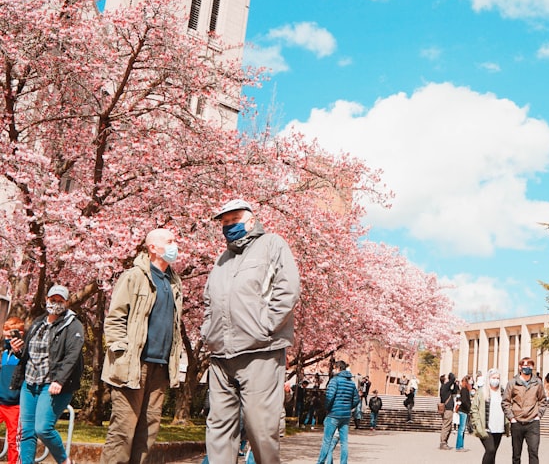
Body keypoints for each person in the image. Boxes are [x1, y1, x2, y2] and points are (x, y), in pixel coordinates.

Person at [203, 198, 301, 464]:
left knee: (261, 429)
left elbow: (288, 288)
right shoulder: (222, 259)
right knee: (218, 430)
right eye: (224, 222)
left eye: (234, 220)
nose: (228, 226)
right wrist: (207, 332)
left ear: (251, 219)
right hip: (221, 354)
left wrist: (266, 327)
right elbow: (209, 301)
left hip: (260, 351)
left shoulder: (271, 244)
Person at [100, 229, 183, 464]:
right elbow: (115, 318)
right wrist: (121, 352)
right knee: (122, 432)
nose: (174, 245)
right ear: (152, 248)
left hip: (160, 368)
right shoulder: (134, 276)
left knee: (147, 434)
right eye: (169, 241)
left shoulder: (174, 282)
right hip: (133, 366)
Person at [14, 285, 84, 464]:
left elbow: (72, 356)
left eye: (60, 301)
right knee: (27, 431)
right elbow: (29, 353)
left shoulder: (73, 325)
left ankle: (64, 460)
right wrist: (17, 350)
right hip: (29, 383)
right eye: (53, 300)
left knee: (43, 428)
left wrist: (59, 380)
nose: (56, 304)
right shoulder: (39, 322)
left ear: (67, 303)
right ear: (46, 300)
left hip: (53, 384)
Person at [502, 357, 547, 464]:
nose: (528, 368)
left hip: (532, 422)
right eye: (525, 366)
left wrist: (538, 415)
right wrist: (511, 417)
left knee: (533, 452)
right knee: (516, 454)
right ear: (520, 367)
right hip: (517, 422)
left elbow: (543, 400)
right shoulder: (512, 383)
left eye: (530, 366)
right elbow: (505, 402)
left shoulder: (537, 383)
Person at [315, 360, 360, 464]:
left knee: (327, 441)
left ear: (339, 368)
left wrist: (327, 408)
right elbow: (356, 399)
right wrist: (348, 407)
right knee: (344, 442)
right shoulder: (351, 383)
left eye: (335, 368)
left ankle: (320, 462)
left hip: (333, 414)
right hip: (345, 415)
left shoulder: (335, 381)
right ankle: (343, 462)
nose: (334, 370)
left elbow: (329, 396)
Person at [471, 369, 509, 464]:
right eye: (493, 378)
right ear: (489, 379)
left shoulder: (503, 392)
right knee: (490, 450)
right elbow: (474, 409)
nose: (495, 380)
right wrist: (477, 423)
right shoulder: (481, 391)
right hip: (486, 427)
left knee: (493, 453)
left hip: (499, 427)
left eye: (497, 378)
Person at [0, 317, 24, 464]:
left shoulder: (22, 354)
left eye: (11, 336)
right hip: (1, 400)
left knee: (14, 439)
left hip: (15, 404)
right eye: (6, 336)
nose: (8, 339)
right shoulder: (3, 353)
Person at [439, 372, 459, 449]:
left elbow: (454, 391)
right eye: (447, 378)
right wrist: (451, 375)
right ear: (444, 380)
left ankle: (445, 442)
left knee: (448, 426)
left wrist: (455, 384)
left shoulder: (446, 389)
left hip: (449, 409)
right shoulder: (444, 386)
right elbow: (452, 378)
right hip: (447, 409)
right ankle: (443, 442)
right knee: (446, 426)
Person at [456, 375, 473, 451]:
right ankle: (459, 446)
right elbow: (464, 401)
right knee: (461, 429)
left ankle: (461, 445)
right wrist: (469, 408)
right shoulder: (464, 390)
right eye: (470, 380)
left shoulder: (466, 389)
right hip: (463, 410)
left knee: (462, 429)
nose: (472, 382)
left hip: (464, 410)